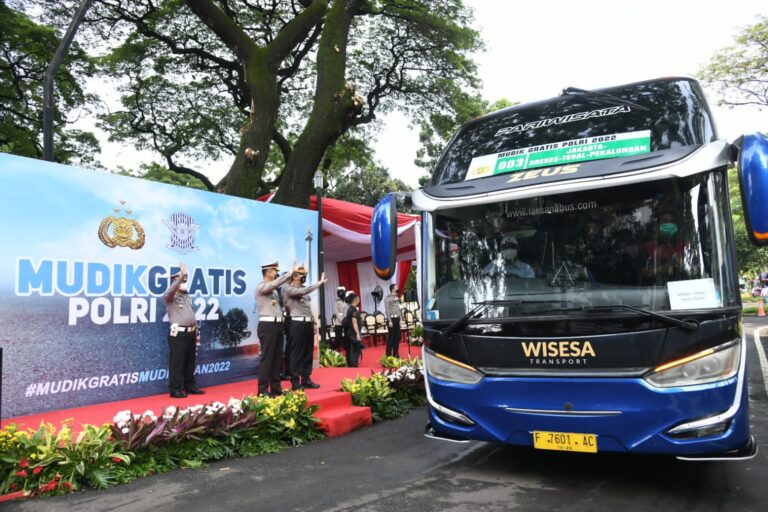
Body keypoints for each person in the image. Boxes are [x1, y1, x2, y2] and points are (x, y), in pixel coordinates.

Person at [255, 260, 296, 397]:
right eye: (273, 271)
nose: (276, 273)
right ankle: (262, 391)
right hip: (268, 326)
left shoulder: (274, 292)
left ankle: (276, 389)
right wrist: (289, 274)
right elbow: (273, 284)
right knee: (267, 359)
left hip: (277, 325)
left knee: (277, 359)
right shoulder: (261, 287)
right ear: (267, 272)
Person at [164, 263, 205, 398]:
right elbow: (171, 291)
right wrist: (181, 276)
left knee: (190, 361)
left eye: (186, 280)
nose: (184, 282)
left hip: (191, 332)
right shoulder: (170, 297)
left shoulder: (187, 297)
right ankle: (175, 389)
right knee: (177, 362)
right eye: (182, 280)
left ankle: (190, 386)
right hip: (178, 333)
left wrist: (197, 332)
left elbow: (191, 315)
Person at [284, 265, 328, 391]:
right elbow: (302, 292)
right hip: (296, 324)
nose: (304, 277)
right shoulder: (288, 288)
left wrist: (313, 323)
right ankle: (295, 382)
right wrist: (319, 283)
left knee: (307, 353)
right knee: (296, 353)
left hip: (307, 323)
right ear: (295, 276)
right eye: (301, 274)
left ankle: (306, 379)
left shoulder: (303, 288)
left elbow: (307, 308)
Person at [344, 292, 364, 367]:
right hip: (353, 333)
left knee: (351, 350)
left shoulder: (350, 309)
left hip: (350, 332)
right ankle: (353, 365)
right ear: (355, 300)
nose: (359, 300)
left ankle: (351, 364)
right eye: (358, 298)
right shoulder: (354, 310)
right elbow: (354, 322)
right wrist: (358, 334)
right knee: (354, 350)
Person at [385, 284, 402, 358]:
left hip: (397, 319)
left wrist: (400, 319)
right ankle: (388, 354)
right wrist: (389, 321)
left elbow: (398, 309)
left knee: (397, 337)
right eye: (396, 287)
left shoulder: (397, 297)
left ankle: (396, 353)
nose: (398, 288)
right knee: (391, 338)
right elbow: (387, 310)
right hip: (391, 319)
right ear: (392, 289)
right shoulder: (388, 298)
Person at [332, 286, 348, 351]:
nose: (340, 293)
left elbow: (347, 310)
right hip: (339, 322)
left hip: (346, 320)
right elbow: (336, 312)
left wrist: (346, 320)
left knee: (347, 336)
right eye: (339, 292)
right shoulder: (337, 301)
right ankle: (333, 349)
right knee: (338, 337)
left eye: (342, 292)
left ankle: (346, 348)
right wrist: (342, 320)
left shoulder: (347, 300)